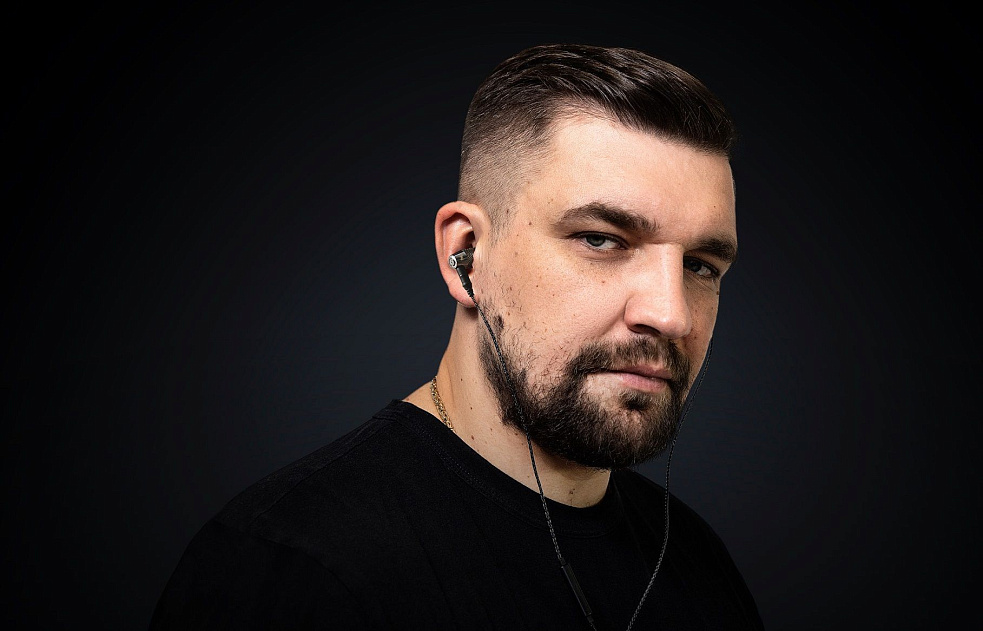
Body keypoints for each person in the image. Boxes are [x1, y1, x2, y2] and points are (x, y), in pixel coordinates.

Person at [150, 43, 764, 630]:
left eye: (700, 266)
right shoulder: (292, 569)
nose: (672, 315)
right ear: (466, 255)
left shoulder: (696, 561)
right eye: (602, 240)